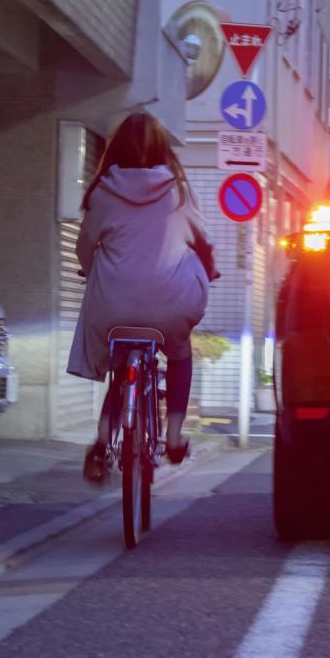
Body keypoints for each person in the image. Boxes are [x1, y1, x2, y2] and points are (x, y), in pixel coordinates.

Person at [68, 112, 219, 484]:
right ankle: (173, 435)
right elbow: (203, 242)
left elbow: (85, 247)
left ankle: (103, 439)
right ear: (162, 148)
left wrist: (89, 271)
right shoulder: (178, 191)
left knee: (121, 369)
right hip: (170, 305)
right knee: (180, 355)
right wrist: (209, 271)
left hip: (113, 306)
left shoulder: (102, 190)